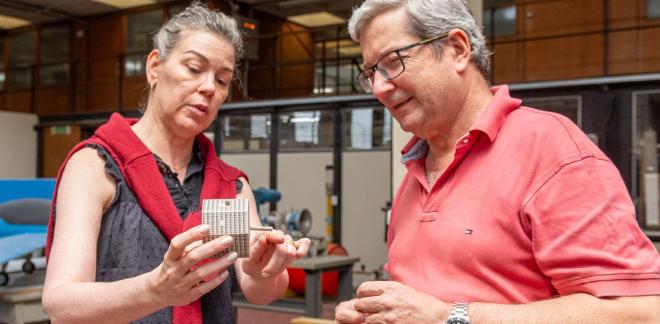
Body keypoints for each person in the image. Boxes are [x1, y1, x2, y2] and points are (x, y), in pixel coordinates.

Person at [335, 0, 660, 323]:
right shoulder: (416, 167)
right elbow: (420, 300)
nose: (378, 88)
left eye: (393, 62)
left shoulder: (549, 148)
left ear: (458, 49)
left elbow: (638, 312)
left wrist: (449, 317)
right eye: (370, 73)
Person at [42, 3, 310, 323]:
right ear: (155, 67)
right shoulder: (96, 167)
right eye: (194, 68)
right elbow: (60, 302)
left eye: (223, 80)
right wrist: (157, 290)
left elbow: (258, 291)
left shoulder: (228, 187)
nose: (209, 87)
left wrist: (264, 270)